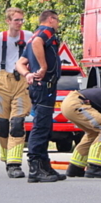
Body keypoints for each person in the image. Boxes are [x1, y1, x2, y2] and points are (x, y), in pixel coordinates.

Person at [15, 10, 67, 183]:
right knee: (42, 126)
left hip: (39, 86)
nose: (57, 24)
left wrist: (27, 74)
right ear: (51, 19)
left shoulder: (33, 36)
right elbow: (38, 43)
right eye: (57, 20)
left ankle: (44, 165)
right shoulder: (44, 33)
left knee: (45, 126)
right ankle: (36, 168)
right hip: (45, 86)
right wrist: (43, 67)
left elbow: (20, 63)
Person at [0, 8, 34, 178]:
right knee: (2, 125)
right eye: (16, 20)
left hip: (21, 81)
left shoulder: (29, 36)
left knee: (18, 123)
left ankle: (15, 164)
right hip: (2, 82)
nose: (20, 23)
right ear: (8, 21)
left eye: (22, 20)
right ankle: (6, 156)